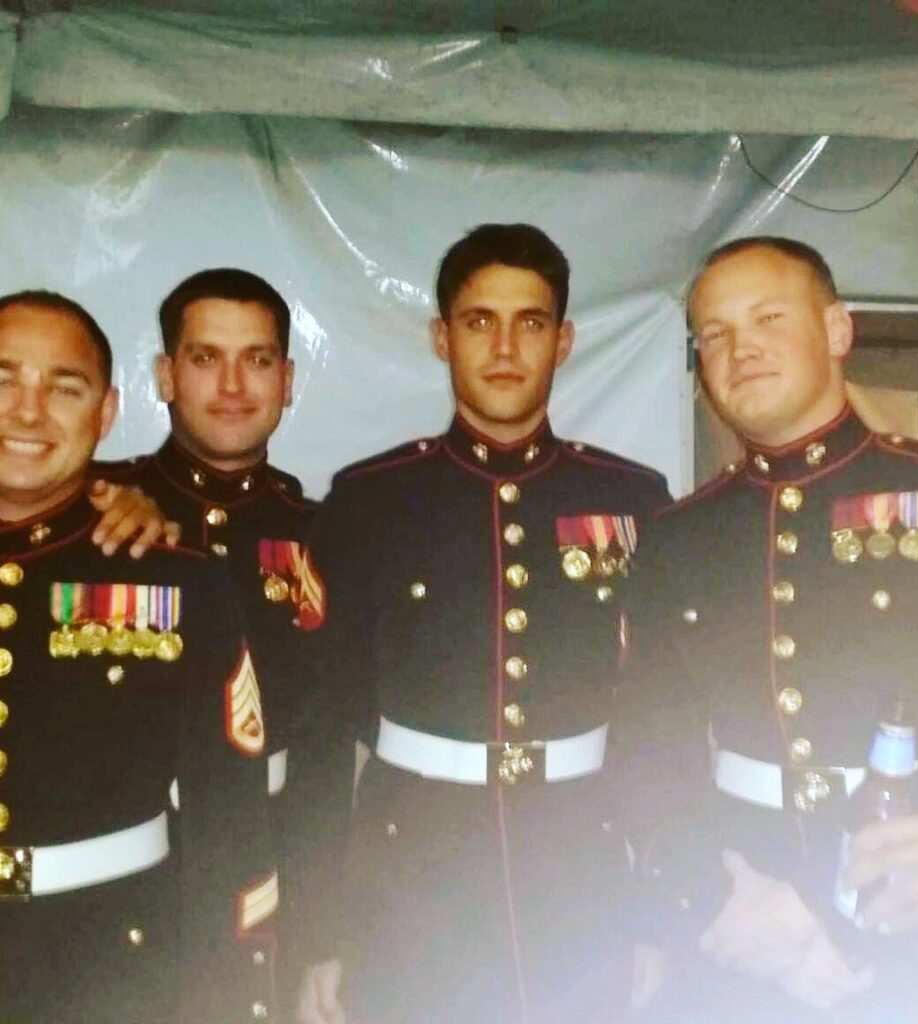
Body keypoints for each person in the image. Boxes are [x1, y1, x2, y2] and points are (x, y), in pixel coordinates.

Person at [623, 236, 918, 1023]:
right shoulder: (678, 538)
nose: (740, 350)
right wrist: (708, 898)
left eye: (768, 317)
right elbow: (648, 750)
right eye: (714, 335)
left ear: (838, 331)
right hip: (749, 926)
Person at [292, 223, 672, 1024]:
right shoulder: (369, 502)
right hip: (410, 871)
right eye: (478, 321)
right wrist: (318, 932)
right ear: (442, 336)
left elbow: (657, 720)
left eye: (530, 322)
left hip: (582, 868)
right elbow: (325, 734)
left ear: (563, 341)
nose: (504, 346)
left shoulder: (634, 499)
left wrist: (659, 908)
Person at [0, 290, 276, 1022]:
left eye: (64, 388)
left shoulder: (176, 575)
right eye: (3, 381)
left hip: (116, 965)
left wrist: (231, 989)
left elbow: (231, 809)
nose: (27, 413)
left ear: (107, 412)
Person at [94, 268, 321, 804]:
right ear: (166, 376)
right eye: (205, 358)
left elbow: (332, 723)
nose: (233, 386)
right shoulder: (99, 507)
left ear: (286, 382)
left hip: (270, 835)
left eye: (257, 360)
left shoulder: (324, 534)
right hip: (126, 848)